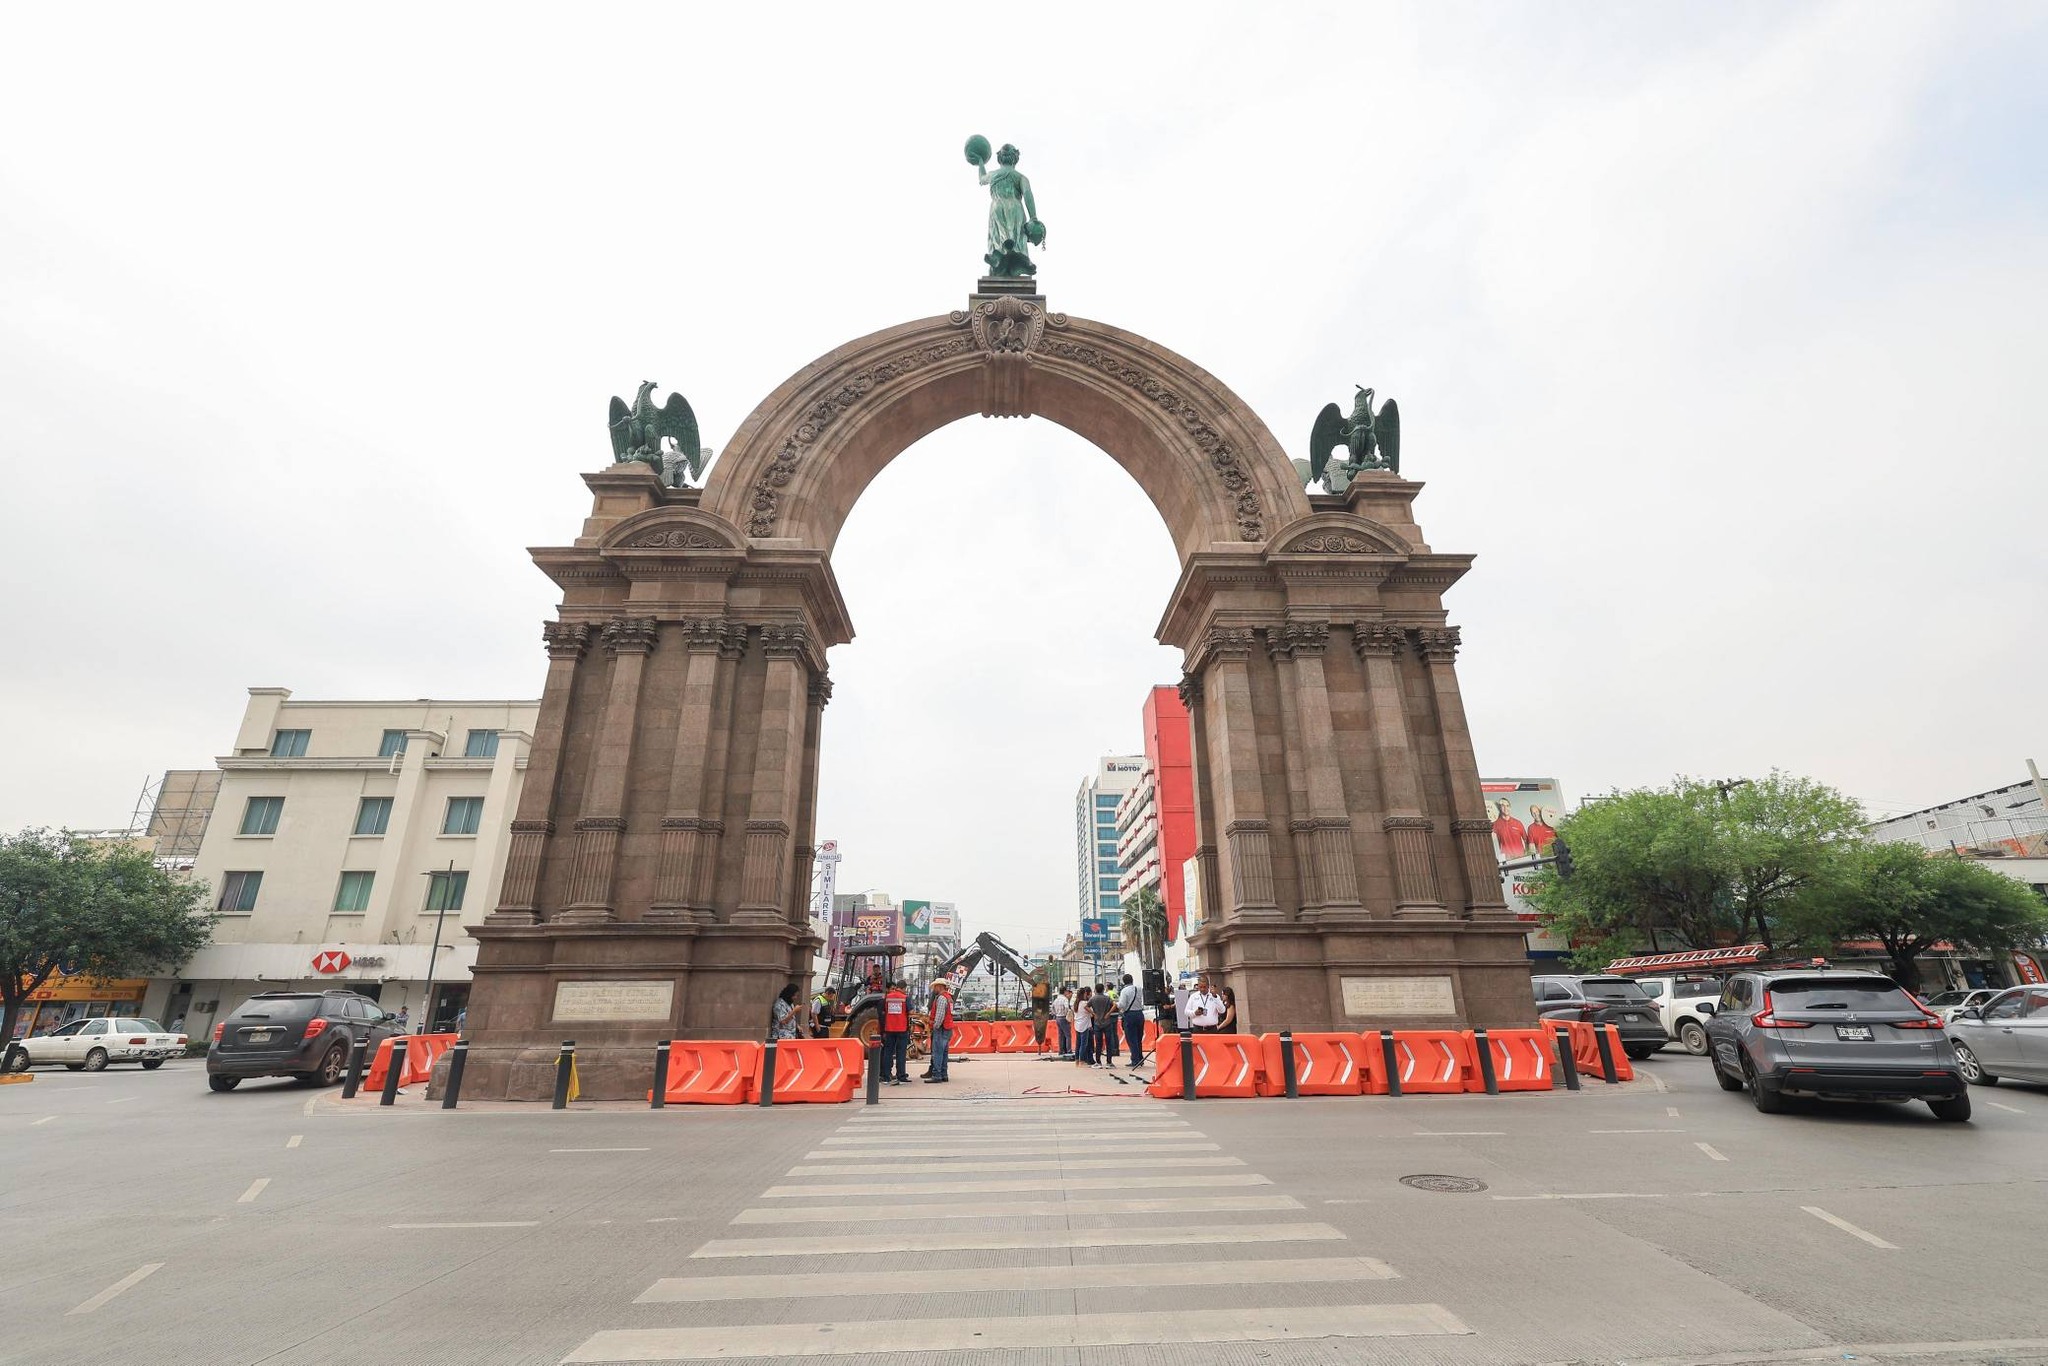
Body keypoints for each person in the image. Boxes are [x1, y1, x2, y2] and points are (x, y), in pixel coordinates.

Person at [880, 980, 911, 1084]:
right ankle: (901, 1075)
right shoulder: (905, 998)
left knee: (888, 1052)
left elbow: (884, 1010)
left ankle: (886, 1075)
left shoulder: (887, 997)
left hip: (889, 1028)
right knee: (901, 1053)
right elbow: (910, 1012)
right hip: (901, 1028)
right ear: (903, 988)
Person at [924, 982, 955, 1084]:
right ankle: (944, 1074)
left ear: (940, 986)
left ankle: (937, 1075)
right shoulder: (949, 997)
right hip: (948, 1028)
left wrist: (935, 1026)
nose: (934, 989)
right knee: (944, 1053)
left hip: (941, 1029)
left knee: (937, 1052)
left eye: (935, 987)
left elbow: (940, 1015)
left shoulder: (941, 998)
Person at [1116, 973, 1145, 1067]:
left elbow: (1122, 1005)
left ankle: (1135, 1060)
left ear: (1124, 982)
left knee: (1131, 1039)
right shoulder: (1139, 988)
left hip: (1130, 1015)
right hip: (1140, 1014)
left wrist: (1116, 1005)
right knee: (1138, 1038)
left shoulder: (1124, 991)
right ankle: (1140, 1058)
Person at [1087, 983, 1117, 1066]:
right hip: (1107, 1022)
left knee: (1098, 1043)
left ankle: (1098, 1062)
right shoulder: (1107, 998)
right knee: (1108, 1042)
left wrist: (1093, 1014)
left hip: (1097, 1023)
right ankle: (1109, 1062)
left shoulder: (1093, 999)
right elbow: (1115, 1005)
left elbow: (1086, 1006)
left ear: (1096, 990)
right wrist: (1108, 1013)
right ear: (1103, 990)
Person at [1072, 981, 1095, 1066]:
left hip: (1077, 1025)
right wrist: (1094, 1014)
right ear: (1083, 994)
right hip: (1084, 1026)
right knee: (1083, 1044)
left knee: (1078, 1044)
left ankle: (1077, 1060)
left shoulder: (1076, 1003)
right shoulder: (1084, 1004)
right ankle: (1082, 1060)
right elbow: (1091, 1013)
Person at [1029, 972, 1052, 1053]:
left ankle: (1039, 1045)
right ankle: (1039, 1044)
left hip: (1040, 1013)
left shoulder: (1039, 990)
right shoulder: (1042, 990)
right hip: (1040, 1013)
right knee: (1039, 1029)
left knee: (1039, 1029)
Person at [1051, 984, 1074, 1058]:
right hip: (1064, 1018)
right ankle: (1069, 1051)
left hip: (1058, 1017)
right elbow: (1067, 1008)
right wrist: (1069, 1015)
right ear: (1064, 991)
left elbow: (1052, 1009)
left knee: (1060, 1035)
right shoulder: (1065, 999)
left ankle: (1060, 1051)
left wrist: (1056, 1014)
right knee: (1068, 1035)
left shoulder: (1056, 1000)